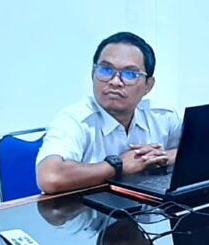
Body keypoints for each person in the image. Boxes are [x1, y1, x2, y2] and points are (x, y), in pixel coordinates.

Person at [36, 32, 181, 194]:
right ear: (93, 75)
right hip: (82, 213)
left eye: (130, 74)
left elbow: (198, 152)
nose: (115, 82)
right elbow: (50, 177)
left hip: (145, 212)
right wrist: (117, 165)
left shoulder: (162, 116)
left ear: (148, 85)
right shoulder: (73, 120)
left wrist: (162, 157)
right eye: (106, 70)